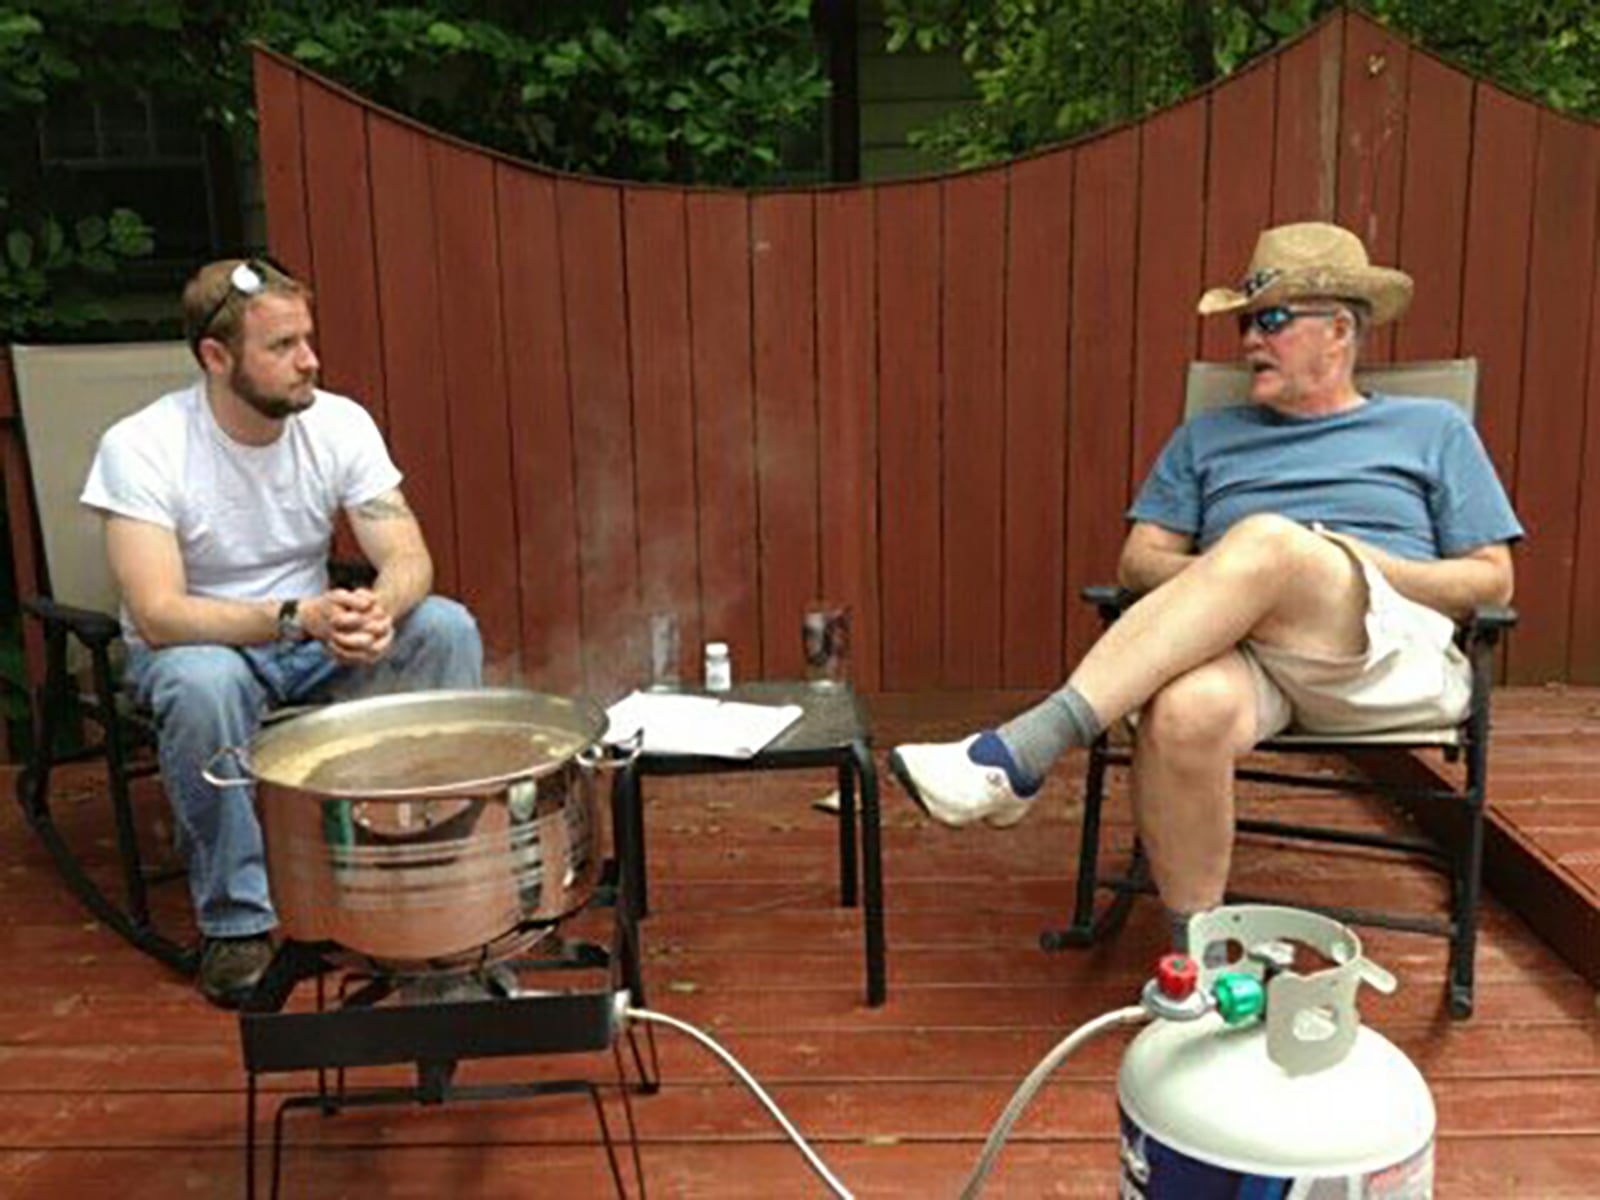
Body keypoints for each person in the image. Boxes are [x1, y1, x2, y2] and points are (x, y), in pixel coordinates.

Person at [890, 222, 1522, 955]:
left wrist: (1322, 558)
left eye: (1272, 321)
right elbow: (1140, 562)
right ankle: (1200, 956)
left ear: (1340, 330)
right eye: (1247, 323)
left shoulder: (1432, 427)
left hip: (1383, 653)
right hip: (1248, 652)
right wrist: (1243, 585)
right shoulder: (1207, 437)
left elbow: (1489, 577)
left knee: (1269, 537)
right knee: (1183, 711)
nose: (1249, 339)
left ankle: (1023, 751)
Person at [81, 258, 484, 1006]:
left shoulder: (337, 422)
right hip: (203, 651)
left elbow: (406, 554)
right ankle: (237, 923)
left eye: (309, 339)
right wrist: (296, 617)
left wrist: (378, 609)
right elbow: (160, 612)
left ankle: (429, 867)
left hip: (311, 645)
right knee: (204, 682)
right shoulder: (141, 446)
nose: (311, 360)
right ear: (216, 357)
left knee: (445, 628)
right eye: (284, 346)